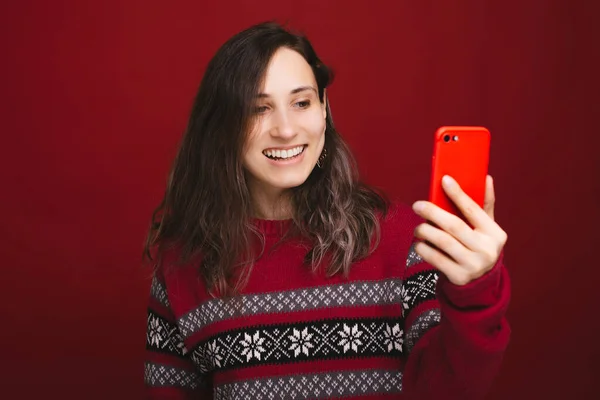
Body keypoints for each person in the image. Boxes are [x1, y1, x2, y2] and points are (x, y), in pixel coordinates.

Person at [143, 21, 510, 400]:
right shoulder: (179, 266)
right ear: (220, 127)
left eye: (301, 102)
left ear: (324, 110)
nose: (286, 130)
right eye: (258, 109)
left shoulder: (407, 241)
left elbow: (449, 389)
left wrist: (475, 293)